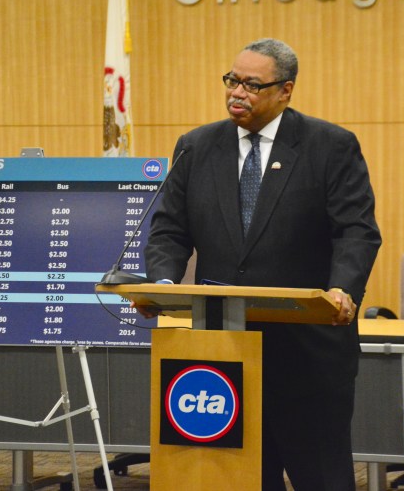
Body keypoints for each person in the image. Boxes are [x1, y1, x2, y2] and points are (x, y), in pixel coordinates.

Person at [142, 38, 381, 490]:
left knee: (320, 476)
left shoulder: (329, 145)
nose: (237, 92)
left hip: (308, 347)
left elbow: (356, 230)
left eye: (252, 84)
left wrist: (343, 289)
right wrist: (163, 282)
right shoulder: (195, 147)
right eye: (232, 80)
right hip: (222, 350)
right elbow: (170, 229)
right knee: (238, 476)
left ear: (285, 90)